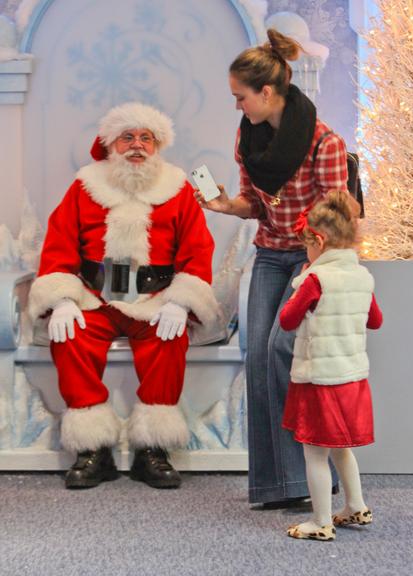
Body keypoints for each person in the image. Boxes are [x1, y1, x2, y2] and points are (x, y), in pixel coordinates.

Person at [196, 29, 351, 506]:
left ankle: (311, 478)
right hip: (269, 253)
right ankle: (277, 485)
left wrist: (312, 266)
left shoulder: (325, 143)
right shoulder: (249, 139)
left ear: (267, 92)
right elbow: (257, 206)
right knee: (259, 358)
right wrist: (226, 205)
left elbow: (336, 218)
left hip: (312, 259)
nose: (236, 106)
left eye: (240, 97)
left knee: (285, 352)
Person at [28, 102, 218, 490]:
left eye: (146, 138)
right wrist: (63, 298)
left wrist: (181, 301)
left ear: (158, 145)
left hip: (156, 298)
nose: (137, 146)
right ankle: (93, 449)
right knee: (71, 338)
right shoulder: (85, 186)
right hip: (95, 296)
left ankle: (152, 449)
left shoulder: (178, 188)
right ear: (110, 144)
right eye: (127, 137)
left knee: (168, 339)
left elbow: (198, 250)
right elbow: (59, 243)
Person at [280, 191, 383, 540]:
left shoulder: (315, 280)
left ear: (319, 242)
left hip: (320, 380)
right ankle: (355, 506)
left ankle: (321, 521)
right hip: (352, 378)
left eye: (307, 246)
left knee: (314, 452)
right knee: (342, 448)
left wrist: (301, 283)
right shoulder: (362, 277)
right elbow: (376, 321)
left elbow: (287, 319)